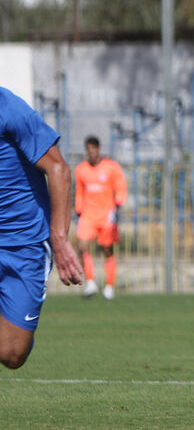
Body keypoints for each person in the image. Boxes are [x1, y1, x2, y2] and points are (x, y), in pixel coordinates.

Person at [0, 86, 84, 371]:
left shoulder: (9, 108)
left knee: (12, 354)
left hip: (24, 243)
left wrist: (59, 239)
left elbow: (59, 169)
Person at [74, 135, 127, 300]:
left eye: (94, 149)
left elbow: (121, 186)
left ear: (98, 149)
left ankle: (109, 286)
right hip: (88, 214)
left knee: (107, 250)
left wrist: (117, 205)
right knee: (82, 246)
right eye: (88, 150)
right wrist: (78, 208)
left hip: (106, 215)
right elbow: (80, 192)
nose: (91, 153)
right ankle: (90, 283)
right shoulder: (81, 169)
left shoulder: (111, 167)